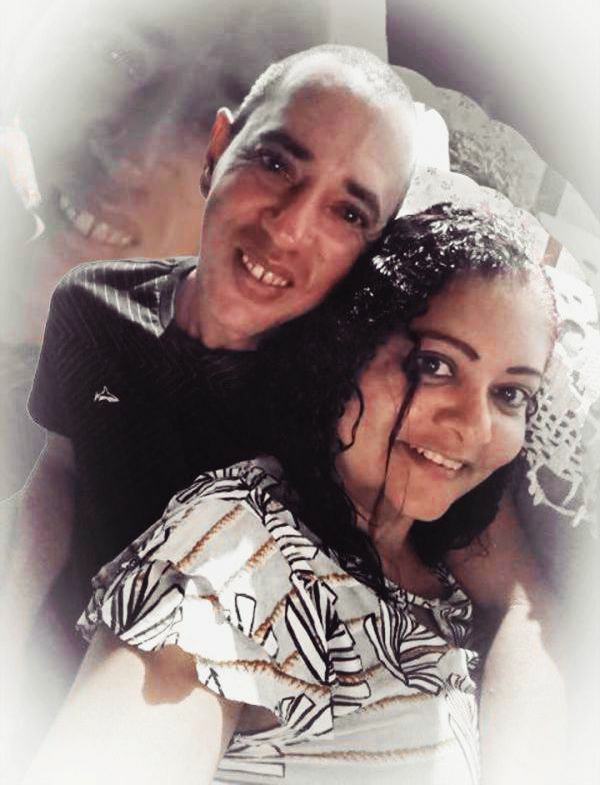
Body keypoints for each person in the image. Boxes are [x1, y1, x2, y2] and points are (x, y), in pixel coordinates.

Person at [22, 205, 563, 785]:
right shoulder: (243, 559)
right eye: (434, 365)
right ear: (346, 351)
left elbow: (530, 610)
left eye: (510, 394)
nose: (474, 427)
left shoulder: (437, 546)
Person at [0, 42, 417, 775]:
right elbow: (59, 474)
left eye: (348, 212)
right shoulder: (90, 305)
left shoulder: (340, 413)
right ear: (217, 151)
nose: (288, 228)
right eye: (276, 163)